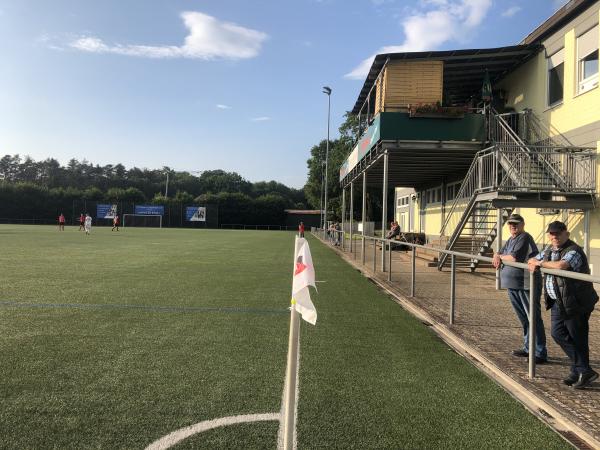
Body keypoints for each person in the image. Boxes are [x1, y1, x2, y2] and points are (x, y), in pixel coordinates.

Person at [528, 221, 599, 389]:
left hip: (576, 303)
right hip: (559, 302)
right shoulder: (548, 249)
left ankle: (579, 372)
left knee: (578, 338)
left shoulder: (573, 250)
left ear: (566, 234)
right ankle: (583, 370)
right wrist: (534, 262)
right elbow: (533, 259)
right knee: (557, 333)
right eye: (552, 234)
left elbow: (561, 266)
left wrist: (540, 264)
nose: (555, 237)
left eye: (558, 233)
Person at [492, 214, 547, 363]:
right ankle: (528, 348)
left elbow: (513, 257)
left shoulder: (524, 237)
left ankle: (540, 352)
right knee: (524, 318)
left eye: (516, 224)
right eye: (510, 224)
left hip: (526, 284)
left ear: (523, 224)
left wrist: (499, 257)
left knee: (532, 317)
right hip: (513, 284)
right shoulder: (511, 239)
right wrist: (498, 255)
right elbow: (501, 252)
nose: (512, 226)